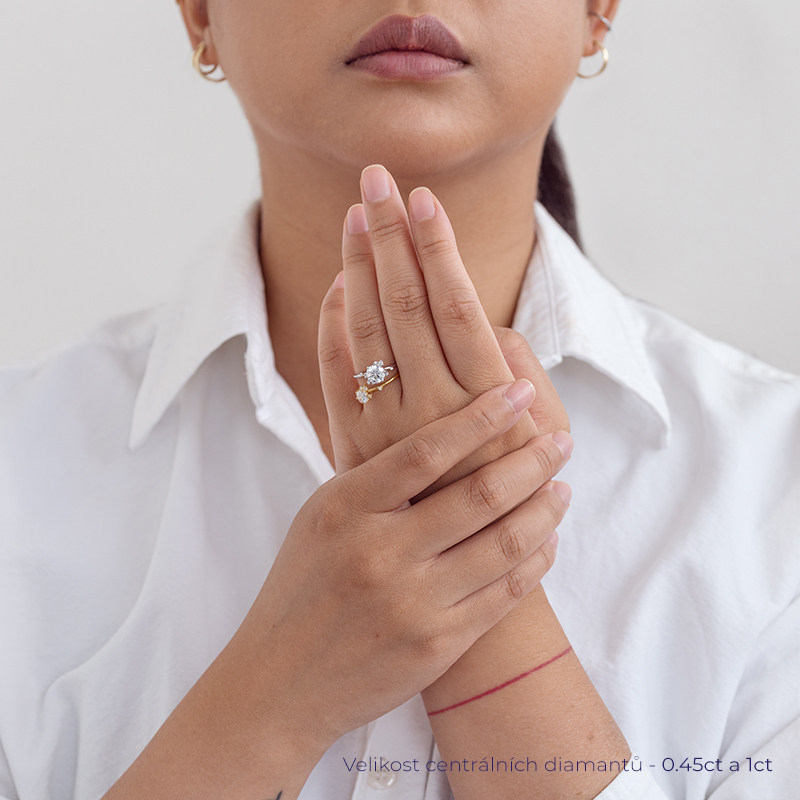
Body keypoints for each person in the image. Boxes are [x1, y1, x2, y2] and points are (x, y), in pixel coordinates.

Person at [0, 1, 798, 799]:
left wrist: (484, 607)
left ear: (597, 12)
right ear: (200, 13)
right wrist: (273, 699)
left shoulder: (777, 491)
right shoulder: (19, 464)